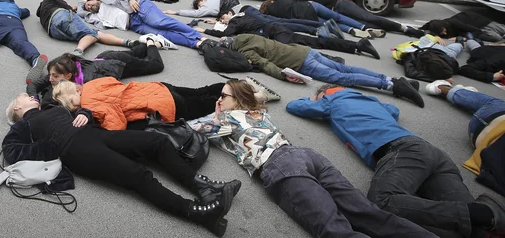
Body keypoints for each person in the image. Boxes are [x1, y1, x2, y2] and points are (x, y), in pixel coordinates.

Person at [188, 79, 435, 238]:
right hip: (307, 156)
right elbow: (259, 95)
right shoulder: (257, 111)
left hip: (278, 164)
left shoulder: (226, 119)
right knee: (370, 214)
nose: (218, 100)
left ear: (238, 100)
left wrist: (215, 114)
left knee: (334, 229)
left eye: (223, 96)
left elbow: (190, 129)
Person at [3, 94, 240, 237]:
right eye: (25, 96)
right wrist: (50, 148)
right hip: (78, 151)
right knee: (138, 175)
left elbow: (81, 108)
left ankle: (202, 187)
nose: (31, 97)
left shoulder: (53, 107)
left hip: (97, 134)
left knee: (157, 141)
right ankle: (199, 214)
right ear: (17, 107)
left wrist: (84, 112)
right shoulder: (23, 126)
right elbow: (11, 151)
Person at [287, 85, 505, 237]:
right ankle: (485, 214)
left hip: (403, 151)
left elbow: (295, 106)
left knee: (382, 200)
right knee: (473, 226)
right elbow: (393, 110)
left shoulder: (331, 100)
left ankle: (483, 211)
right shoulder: (369, 101)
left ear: (325, 93)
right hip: (431, 153)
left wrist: (315, 99)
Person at [226, 34, 424, 106]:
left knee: (341, 78)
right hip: (305, 51)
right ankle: (392, 79)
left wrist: (283, 75)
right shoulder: (246, 36)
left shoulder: (244, 49)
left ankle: (391, 86)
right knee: (344, 69)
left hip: (302, 63)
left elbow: (264, 64)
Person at [53, 78, 236, 129]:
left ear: (73, 94)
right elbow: (115, 82)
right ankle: (233, 85)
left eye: (70, 102)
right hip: (158, 87)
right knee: (200, 91)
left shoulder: (88, 104)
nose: (73, 107)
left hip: (163, 106)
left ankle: (240, 97)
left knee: (205, 103)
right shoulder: (92, 84)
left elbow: (117, 125)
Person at [425, 80, 505, 197]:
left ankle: (447, 89)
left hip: (491, 121)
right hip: (483, 139)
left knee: (492, 102)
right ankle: (462, 92)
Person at [199, 10, 380, 59]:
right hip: (278, 32)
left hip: (276, 34)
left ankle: (330, 59)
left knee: (294, 52)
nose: (223, 21)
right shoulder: (241, 18)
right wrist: (214, 24)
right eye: (222, 20)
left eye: (223, 18)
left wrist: (205, 30)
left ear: (229, 14)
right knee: (315, 42)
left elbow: (229, 32)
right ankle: (357, 46)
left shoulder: (235, 21)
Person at [27, 43, 165, 104]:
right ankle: (142, 45)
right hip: (104, 58)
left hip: (120, 64)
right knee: (136, 53)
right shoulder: (59, 72)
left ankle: (152, 43)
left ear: (68, 76)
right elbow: (33, 86)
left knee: (156, 66)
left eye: (55, 76)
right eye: (50, 75)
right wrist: (35, 99)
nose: (50, 79)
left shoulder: (88, 81)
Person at [80, 0, 203, 49]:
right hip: (134, 24)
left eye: (90, 4)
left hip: (138, 8)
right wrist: (82, 4)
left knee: (161, 22)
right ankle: (195, 43)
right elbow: (80, 12)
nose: (90, 7)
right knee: (162, 35)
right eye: (88, 7)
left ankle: (198, 35)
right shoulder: (95, 17)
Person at [277, 0, 423, 37]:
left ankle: (404, 29)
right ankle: (368, 29)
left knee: (368, 19)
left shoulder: (287, 8)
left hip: (337, 7)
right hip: (336, 5)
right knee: (368, 19)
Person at [35, 0, 132, 57]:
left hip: (53, 31)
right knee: (91, 34)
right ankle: (78, 52)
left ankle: (127, 42)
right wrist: (71, 8)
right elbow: (64, 4)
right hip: (61, 16)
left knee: (91, 34)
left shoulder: (43, 13)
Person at [260, 0, 386, 38]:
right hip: (311, 6)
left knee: (331, 22)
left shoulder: (274, 15)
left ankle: (352, 31)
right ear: (270, 2)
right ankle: (363, 26)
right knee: (338, 16)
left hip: (307, 17)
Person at [391, 34, 464, 82]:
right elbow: (410, 73)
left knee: (456, 48)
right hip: (433, 48)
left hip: (440, 50)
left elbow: (411, 72)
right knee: (456, 47)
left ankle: (460, 40)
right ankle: (460, 42)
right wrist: (439, 79)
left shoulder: (451, 62)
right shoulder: (412, 56)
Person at [422, 10, 505, 42]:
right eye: (442, 33)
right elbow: (424, 31)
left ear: (445, 26)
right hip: (473, 26)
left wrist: (464, 38)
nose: (444, 33)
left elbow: (476, 31)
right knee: (497, 38)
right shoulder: (436, 27)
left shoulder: (454, 23)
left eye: (444, 31)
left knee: (501, 30)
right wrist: (436, 36)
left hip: (479, 22)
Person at [163, 0, 241, 19]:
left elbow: (196, 14)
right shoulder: (214, 0)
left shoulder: (208, 4)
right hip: (235, 5)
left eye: (199, 5)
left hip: (234, 8)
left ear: (204, 0)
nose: (200, 8)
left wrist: (176, 12)